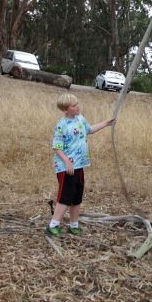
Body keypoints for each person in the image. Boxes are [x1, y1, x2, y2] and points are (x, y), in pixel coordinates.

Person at [46, 92, 116, 237]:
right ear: (65, 110)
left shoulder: (80, 119)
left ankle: (74, 225)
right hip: (66, 168)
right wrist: (67, 161)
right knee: (65, 196)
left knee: (76, 197)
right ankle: (53, 225)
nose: (77, 107)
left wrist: (106, 123)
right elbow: (57, 147)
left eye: (77, 104)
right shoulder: (61, 126)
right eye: (74, 106)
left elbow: (90, 129)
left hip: (79, 165)